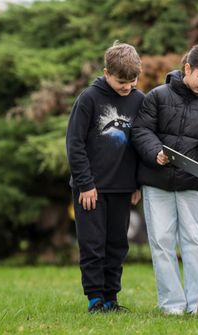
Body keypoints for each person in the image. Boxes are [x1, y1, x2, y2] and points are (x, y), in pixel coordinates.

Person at [132, 43, 198, 315]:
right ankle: (171, 305)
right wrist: (155, 152)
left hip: (190, 183)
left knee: (194, 242)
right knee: (161, 242)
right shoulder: (157, 96)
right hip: (156, 181)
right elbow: (141, 131)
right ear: (187, 69)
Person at [66, 42, 144, 313]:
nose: (127, 87)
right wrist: (85, 184)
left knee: (117, 245)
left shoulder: (139, 100)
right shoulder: (89, 99)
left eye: (132, 81)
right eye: (121, 82)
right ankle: (95, 298)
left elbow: (140, 144)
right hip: (91, 189)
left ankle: (111, 297)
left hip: (123, 188)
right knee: (93, 244)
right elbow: (74, 144)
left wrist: (136, 184)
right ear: (107, 73)